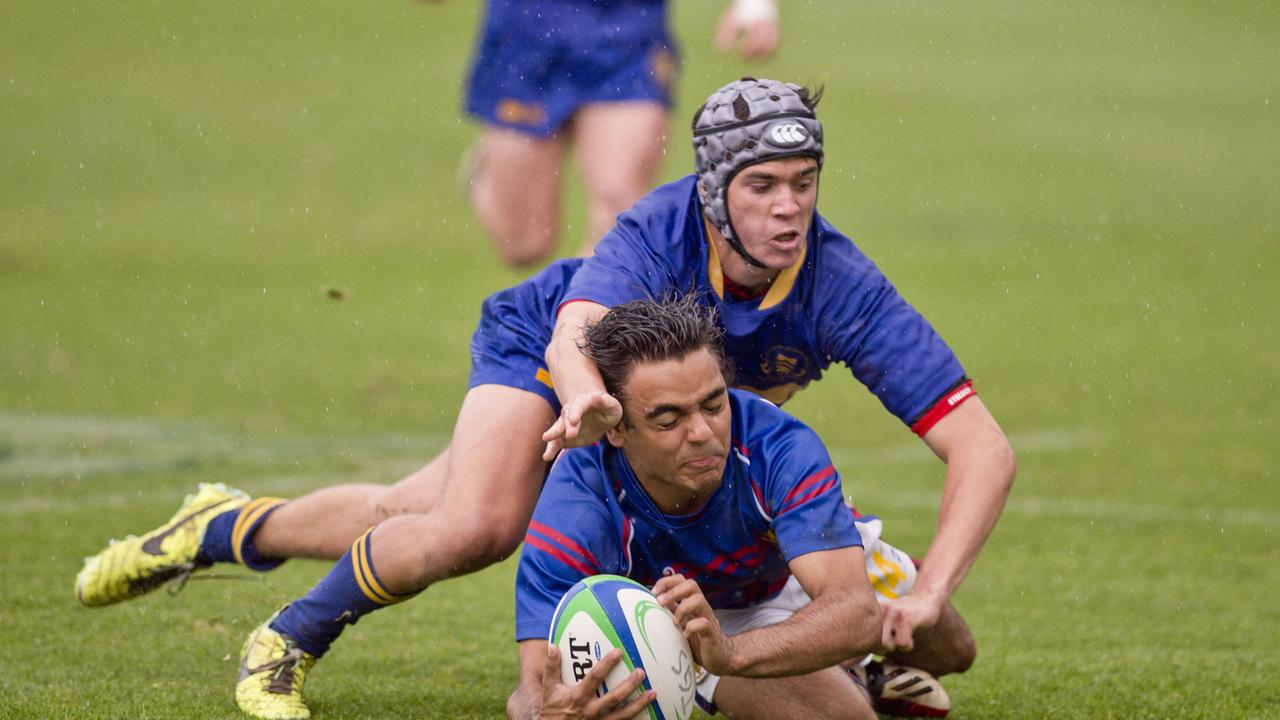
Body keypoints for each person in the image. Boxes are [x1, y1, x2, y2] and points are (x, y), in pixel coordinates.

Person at [74, 77, 1014, 720]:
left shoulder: (839, 282)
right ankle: (288, 641)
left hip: (651, 406)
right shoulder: (658, 231)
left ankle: (223, 526)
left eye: (802, 185)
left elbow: (984, 450)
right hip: (553, 345)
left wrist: (930, 590)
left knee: (408, 511)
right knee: (475, 527)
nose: (786, 208)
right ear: (715, 192)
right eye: (760, 186)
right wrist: (585, 406)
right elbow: (577, 332)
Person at [508, 297, 974, 720]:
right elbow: (533, 683)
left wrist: (733, 653)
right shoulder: (577, 501)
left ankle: (857, 661)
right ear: (616, 429)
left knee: (953, 650)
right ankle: (851, 679)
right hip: (698, 619)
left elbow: (855, 613)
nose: (702, 433)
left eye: (714, 404)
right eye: (669, 419)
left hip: (798, 569)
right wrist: (549, 715)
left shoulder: (777, 445)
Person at [452, 0, 781, 268]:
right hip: (525, 32)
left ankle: (568, 330)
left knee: (620, 211)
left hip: (628, 33)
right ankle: (486, 176)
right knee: (525, 246)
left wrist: (755, 7)